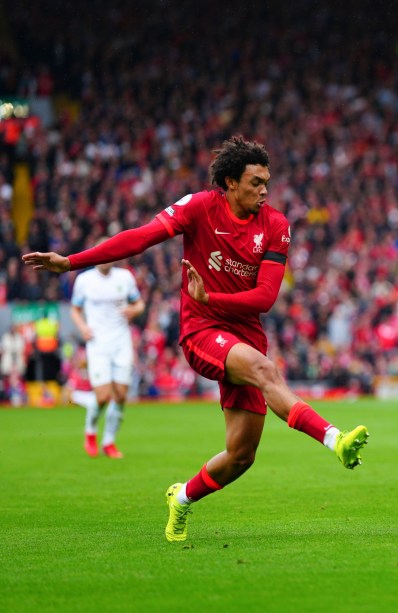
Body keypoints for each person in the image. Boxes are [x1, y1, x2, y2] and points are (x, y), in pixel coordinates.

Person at [23, 136, 370, 543]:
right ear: (229, 182)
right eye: (256, 182)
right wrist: (72, 262)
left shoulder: (275, 225)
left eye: (267, 182)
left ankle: (182, 498)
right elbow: (140, 237)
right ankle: (336, 440)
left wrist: (214, 294)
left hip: (245, 334)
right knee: (265, 370)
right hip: (201, 331)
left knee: (241, 456)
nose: (264, 190)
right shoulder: (199, 207)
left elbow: (265, 298)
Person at [70, 255, 145, 457]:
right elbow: (75, 309)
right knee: (102, 396)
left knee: (120, 396)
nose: (106, 259)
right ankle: (90, 431)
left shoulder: (125, 277)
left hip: (122, 341)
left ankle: (109, 441)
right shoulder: (84, 280)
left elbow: (140, 304)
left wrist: (133, 310)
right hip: (98, 343)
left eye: (110, 254)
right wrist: (83, 328)